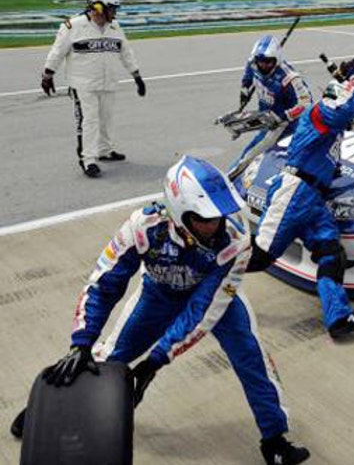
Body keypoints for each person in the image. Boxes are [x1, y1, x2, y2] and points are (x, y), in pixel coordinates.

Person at [9, 156, 310, 465]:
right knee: (103, 359)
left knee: (252, 357)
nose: (215, 224)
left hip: (217, 299)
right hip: (156, 296)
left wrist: (156, 359)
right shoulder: (143, 226)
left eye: (220, 215)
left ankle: (275, 441)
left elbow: (203, 309)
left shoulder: (236, 240)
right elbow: (104, 283)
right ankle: (41, 411)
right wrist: (81, 341)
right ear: (179, 212)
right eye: (205, 217)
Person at [250, 60, 354, 339]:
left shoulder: (330, 132)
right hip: (295, 193)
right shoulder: (320, 112)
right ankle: (201, 276)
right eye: (352, 105)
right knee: (260, 257)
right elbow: (343, 113)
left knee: (332, 253)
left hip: (313, 200)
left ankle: (338, 319)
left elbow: (342, 126)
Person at [42, 0, 146, 179]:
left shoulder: (114, 27)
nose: (114, 13)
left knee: (106, 118)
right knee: (89, 121)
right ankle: (88, 159)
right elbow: (57, 52)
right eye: (112, 9)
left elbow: (126, 52)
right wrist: (48, 74)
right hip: (83, 85)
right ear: (98, 7)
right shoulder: (73, 27)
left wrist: (137, 76)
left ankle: (104, 151)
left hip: (107, 83)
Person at [229, 34, 313, 181]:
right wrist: (245, 89)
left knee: (251, 153)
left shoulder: (290, 78)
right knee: (263, 155)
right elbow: (247, 78)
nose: (264, 65)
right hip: (266, 118)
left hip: (285, 124)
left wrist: (283, 116)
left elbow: (306, 103)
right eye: (261, 61)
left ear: (277, 59)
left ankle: (230, 178)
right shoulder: (253, 64)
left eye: (268, 62)